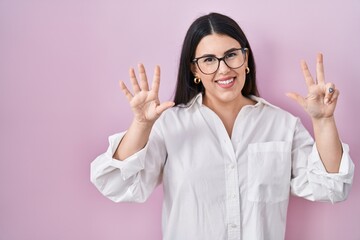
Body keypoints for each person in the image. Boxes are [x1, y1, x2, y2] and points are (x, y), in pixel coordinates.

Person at [90, 12, 354, 240]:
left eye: (231, 55)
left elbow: (331, 187)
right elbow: (115, 183)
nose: (224, 69)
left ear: (246, 59)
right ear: (194, 70)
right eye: (208, 60)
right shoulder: (171, 125)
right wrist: (140, 124)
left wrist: (323, 121)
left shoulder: (282, 125)